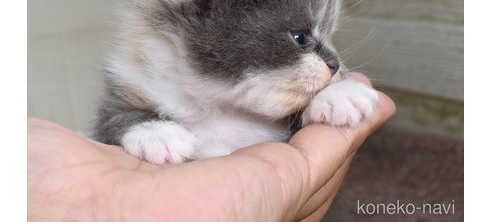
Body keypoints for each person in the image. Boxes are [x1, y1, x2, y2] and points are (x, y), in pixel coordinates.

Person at [28, 73, 395, 221]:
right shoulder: (140, 76)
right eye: (301, 37)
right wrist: (138, 127)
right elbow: (115, 116)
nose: (332, 63)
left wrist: (327, 96)